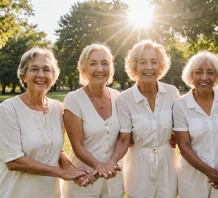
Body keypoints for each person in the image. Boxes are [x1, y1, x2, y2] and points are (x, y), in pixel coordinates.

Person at [0, 47, 88, 198]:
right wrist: (62, 172)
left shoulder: (58, 108)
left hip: (51, 193)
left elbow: (58, 151)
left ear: (53, 76)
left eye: (47, 69)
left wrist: (74, 172)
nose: (41, 75)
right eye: (34, 69)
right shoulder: (8, 109)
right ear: (24, 75)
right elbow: (14, 161)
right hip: (16, 193)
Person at [108, 40, 179, 198]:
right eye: (143, 62)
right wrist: (112, 161)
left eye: (154, 62)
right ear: (134, 67)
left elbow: (181, 127)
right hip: (139, 164)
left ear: (161, 66)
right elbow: (124, 138)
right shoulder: (124, 99)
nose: (149, 67)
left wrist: (177, 137)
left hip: (167, 163)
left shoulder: (172, 93)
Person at [172, 51, 218, 198]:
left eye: (210, 72)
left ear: (217, 76)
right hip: (191, 179)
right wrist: (211, 173)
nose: (204, 77)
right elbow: (183, 146)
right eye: (198, 72)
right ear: (191, 75)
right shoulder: (181, 104)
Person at [61, 43, 124, 198]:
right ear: (84, 69)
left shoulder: (118, 97)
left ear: (111, 69)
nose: (100, 69)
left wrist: (111, 165)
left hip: (113, 179)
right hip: (84, 179)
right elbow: (77, 145)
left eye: (105, 63)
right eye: (93, 63)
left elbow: (125, 137)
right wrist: (99, 166)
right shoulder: (74, 99)